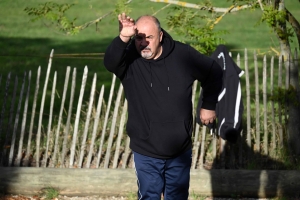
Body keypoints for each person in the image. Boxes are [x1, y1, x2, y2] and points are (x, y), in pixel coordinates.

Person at [104, 13, 223, 200]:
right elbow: (110, 62)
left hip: (179, 150)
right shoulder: (130, 61)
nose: (143, 43)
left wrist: (208, 105)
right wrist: (124, 37)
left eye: (149, 38)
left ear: (160, 36)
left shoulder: (183, 55)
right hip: (146, 149)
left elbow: (213, 71)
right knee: (149, 196)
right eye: (139, 38)